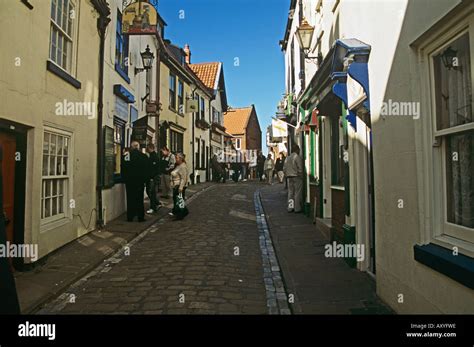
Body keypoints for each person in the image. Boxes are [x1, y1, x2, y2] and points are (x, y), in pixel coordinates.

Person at [122, 141, 149, 222]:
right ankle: (140, 217)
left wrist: (125, 178)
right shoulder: (143, 156)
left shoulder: (127, 156)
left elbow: (123, 168)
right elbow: (146, 170)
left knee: (130, 199)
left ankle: (130, 217)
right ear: (138, 147)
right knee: (139, 199)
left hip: (130, 181)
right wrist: (145, 180)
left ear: (131, 147)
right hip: (140, 181)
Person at [283, 144, 304, 213]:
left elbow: (284, 169)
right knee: (297, 193)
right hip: (296, 176)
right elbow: (300, 168)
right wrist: (301, 175)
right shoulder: (296, 157)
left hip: (289, 177)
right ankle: (297, 208)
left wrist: (286, 175)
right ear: (297, 150)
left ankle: (290, 207)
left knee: (290, 193)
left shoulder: (287, 158)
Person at [170, 153, 189, 220]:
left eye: (177, 158)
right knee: (177, 200)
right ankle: (182, 212)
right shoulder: (178, 166)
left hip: (179, 185)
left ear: (181, 159)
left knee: (179, 200)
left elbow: (183, 178)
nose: (176, 159)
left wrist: (181, 187)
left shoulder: (182, 166)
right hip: (176, 185)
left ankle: (180, 215)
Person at [145, 143, 161, 214]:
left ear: (150, 148)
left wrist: (152, 177)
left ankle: (153, 207)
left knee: (152, 192)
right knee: (150, 192)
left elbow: (155, 168)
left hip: (153, 178)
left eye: (147, 148)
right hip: (150, 177)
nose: (146, 149)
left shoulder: (154, 157)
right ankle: (157, 203)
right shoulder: (151, 156)